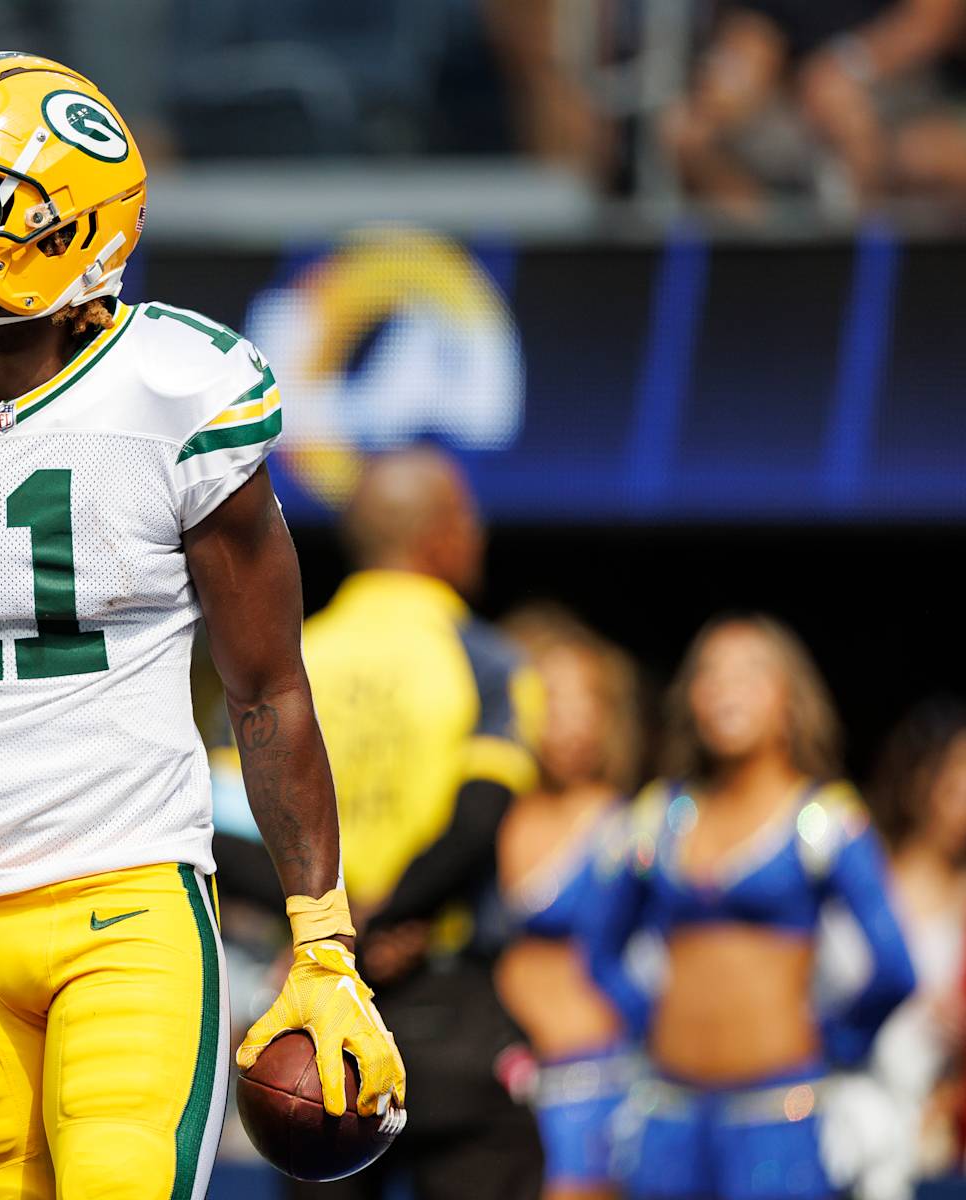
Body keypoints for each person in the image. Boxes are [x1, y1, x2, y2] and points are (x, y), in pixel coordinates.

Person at [0, 52, 406, 1200]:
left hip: (130, 902)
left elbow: (270, 691)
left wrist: (322, 939)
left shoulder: (173, 391)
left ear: (65, 234)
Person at [585, 615, 916, 1200]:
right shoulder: (656, 818)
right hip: (668, 1112)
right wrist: (646, 1021)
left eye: (749, 672)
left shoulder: (826, 821)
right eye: (708, 674)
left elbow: (894, 966)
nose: (724, 688)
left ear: (791, 698)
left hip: (778, 1116)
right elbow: (599, 946)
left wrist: (835, 1044)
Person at [296, 447, 546, 1200]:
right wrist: (387, 923)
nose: (480, 535)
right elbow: (475, 828)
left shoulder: (293, 657)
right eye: (470, 519)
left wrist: (337, 931)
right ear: (440, 536)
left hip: (317, 1010)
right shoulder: (489, 661)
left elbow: (224, 824)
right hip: (446, 1004)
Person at [496, 605, 644, 1200]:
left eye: (591, 703)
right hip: (500, 1078)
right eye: (554, 700)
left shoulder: (627, 826)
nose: (573, 722)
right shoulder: (492, 812)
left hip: (591, 1079)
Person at [829, 698, 966, 1200]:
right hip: (845, 1109)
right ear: (921, 778)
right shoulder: (860, 872)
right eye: (954, 781)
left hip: (937, 1132)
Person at [663, 0, 963, 218]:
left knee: (862, 123)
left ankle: (868, 265)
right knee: (689, 135)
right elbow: (752, 32)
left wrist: (848, 67)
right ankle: (770, 266)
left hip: (907, 92)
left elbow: (931, 23)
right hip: (791, 103)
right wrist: (734, 78)